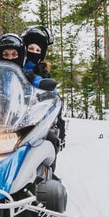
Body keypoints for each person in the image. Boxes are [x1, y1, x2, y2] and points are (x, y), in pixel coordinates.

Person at [21, 25, 66, 153]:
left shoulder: (42, 72)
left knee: (50, 141)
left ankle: (47, 171)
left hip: (36, 118)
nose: (33, 52)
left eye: (37, 50)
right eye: (30, 48)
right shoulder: (15, 68)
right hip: (14, 117)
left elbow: (52, 94)